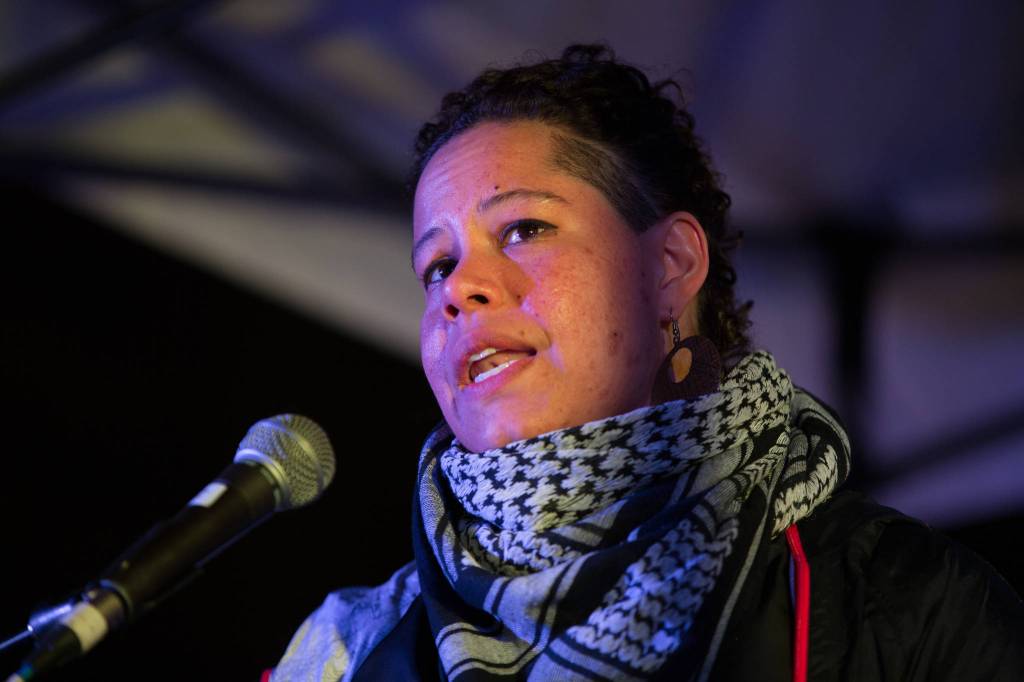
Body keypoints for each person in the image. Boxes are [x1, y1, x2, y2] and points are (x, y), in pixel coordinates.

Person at [270, 45, 1023, 681]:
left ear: (669, 264)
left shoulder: (904, 603)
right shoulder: (342, 650)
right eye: (436, 265)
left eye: (525, 227)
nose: (460, 288)